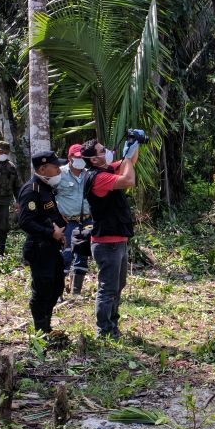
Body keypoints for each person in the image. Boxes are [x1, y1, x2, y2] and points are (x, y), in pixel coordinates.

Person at [81, 134, 141, 338]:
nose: (105, 150)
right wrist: (126, 155)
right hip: (107, 243)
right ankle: (104, 331)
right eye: (101, 150)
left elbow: (129, 163)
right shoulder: (98, 178)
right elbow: (129, 179)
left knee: (118, 286)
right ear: (95, 160)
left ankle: (112, 326)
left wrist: (133, 147)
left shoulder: (104, 170)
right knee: (108, 289)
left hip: (118, 241)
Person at [17, 151, 67, 334]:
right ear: (43, 168)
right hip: (39, 248)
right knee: (42, 290)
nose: (59, 171)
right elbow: (25, 221)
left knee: (56, 287)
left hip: (52, 247)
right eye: (56, 167)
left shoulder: (46, 188)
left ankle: (47, 325)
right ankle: (40, 330)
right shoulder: (31, 190)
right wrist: (50, 233)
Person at [55, 144, 92, 295]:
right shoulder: (59, 174)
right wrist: (56, 215)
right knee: (66, 255)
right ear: (70, 158)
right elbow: (48, 196)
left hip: (87, 220)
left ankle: (76, 292)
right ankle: (58, 292)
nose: (81, 160)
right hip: (68, 222)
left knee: (83, 254)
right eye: (77, 157)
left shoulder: (89, 174)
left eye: (83, 157)